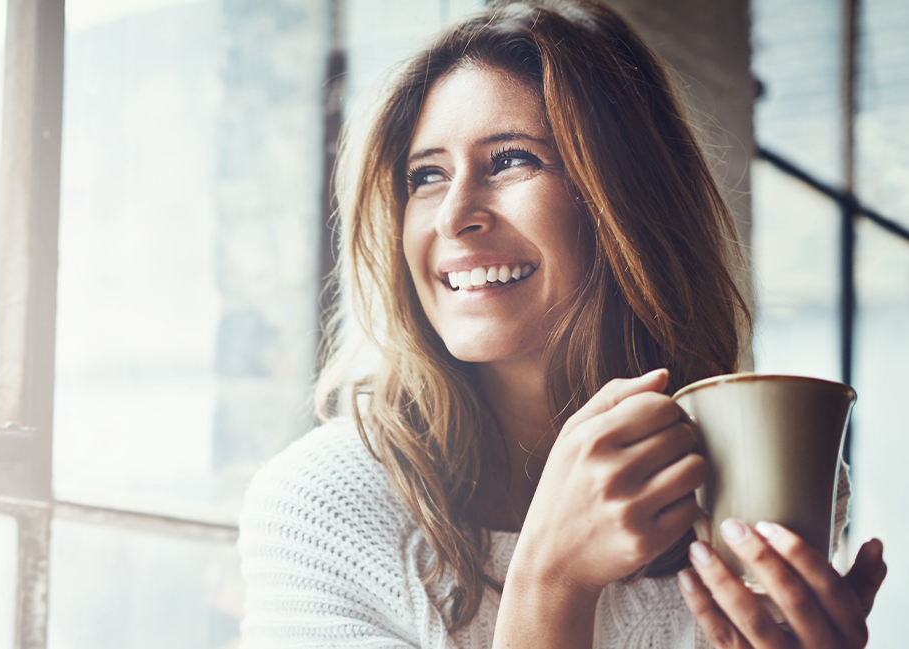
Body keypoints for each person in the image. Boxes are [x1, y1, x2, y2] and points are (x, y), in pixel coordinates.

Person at [236, 1, 889, 647]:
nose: (452, 215)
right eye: (426, 175)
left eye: (511, 160)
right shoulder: (317, 507)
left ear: (626, 199)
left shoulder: (765, 479)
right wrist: (549, 585)